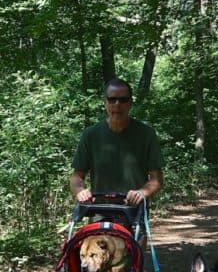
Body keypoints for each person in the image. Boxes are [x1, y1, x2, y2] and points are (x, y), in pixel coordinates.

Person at [70, 78, 164, 207]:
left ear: (130, 102)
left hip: (134, 211)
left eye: (123, 100)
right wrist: (80, 192)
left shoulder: (146, 134)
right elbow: (77, 176)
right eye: (112, 99)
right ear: (105, 102)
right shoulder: (90, 134)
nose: (117, 104)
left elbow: (156, 179)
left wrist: (142, 192)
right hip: (99, 211)